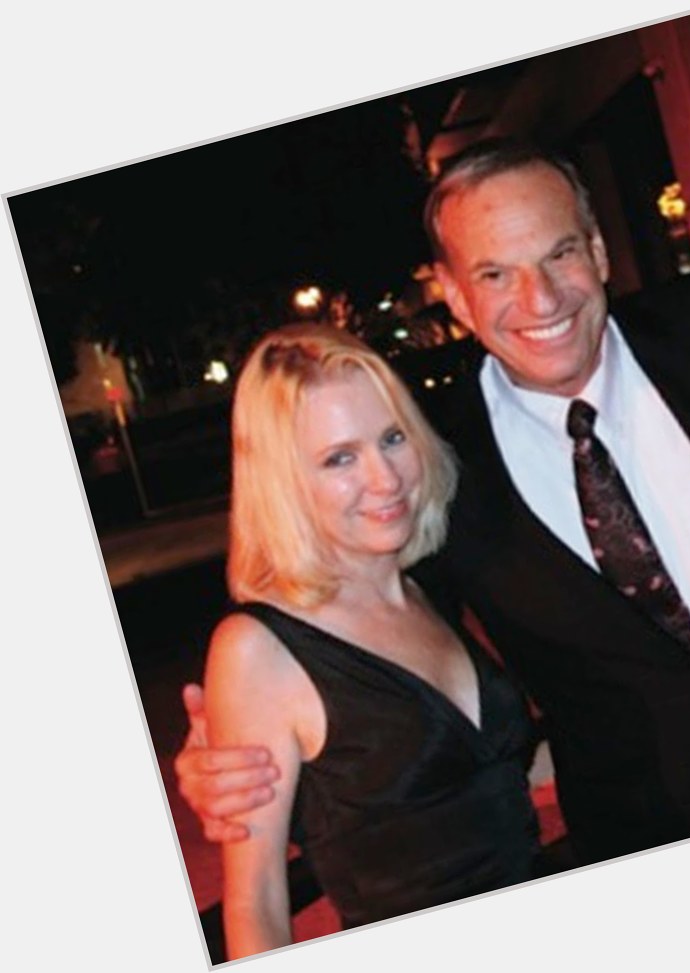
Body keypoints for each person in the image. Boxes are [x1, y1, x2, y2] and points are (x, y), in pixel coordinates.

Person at [176, 139, 690, 868]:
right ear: (455, 296)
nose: (540, 299)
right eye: (495, 273)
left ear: (597, 251)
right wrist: (243, 751)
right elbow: (364, 657)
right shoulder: (430, 462)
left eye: (559, 254)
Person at [199, 323, 541, 958]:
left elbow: (482, 783)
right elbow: (256, 901)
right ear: (283, 482)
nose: (386, 479)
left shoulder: (426, 590)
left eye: (392, 438)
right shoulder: (257, 649)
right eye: (340, 458)